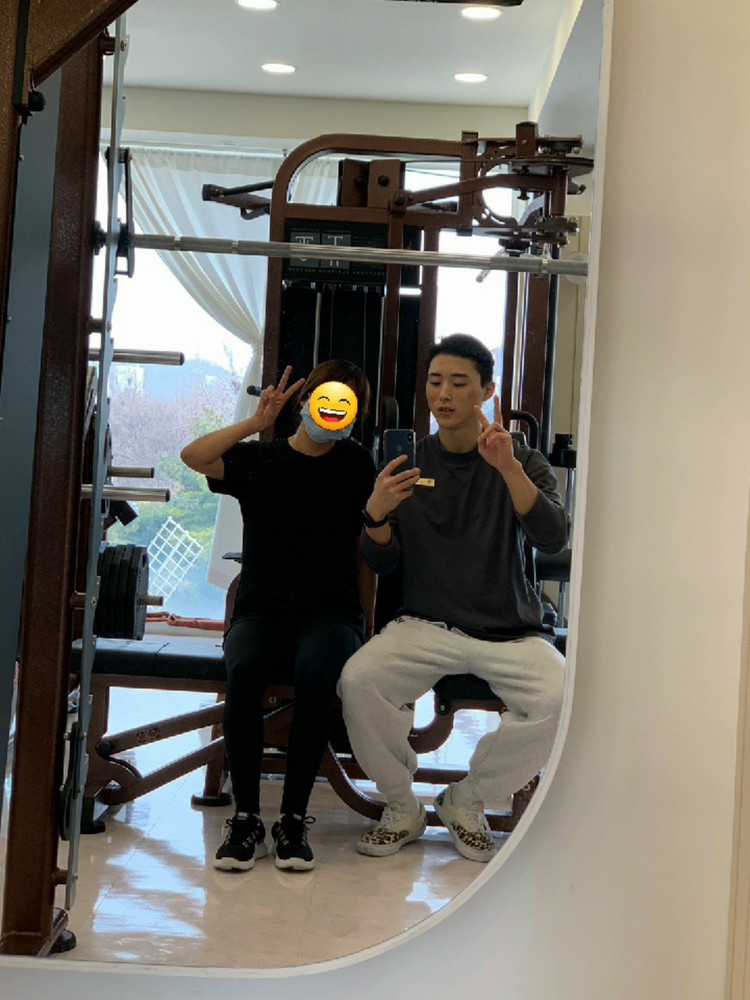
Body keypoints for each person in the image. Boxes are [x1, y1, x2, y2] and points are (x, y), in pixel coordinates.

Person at [339, 333, 569, 863]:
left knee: (562, 700)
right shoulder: (408, 462)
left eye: (459, 383)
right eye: (435, 381)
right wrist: (375, 515)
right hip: (426, 624)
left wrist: (508, 469)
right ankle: (401, 805)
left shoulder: (521, 459)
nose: (443, 394)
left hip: (510, 630)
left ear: (486, 392)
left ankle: (466, 800)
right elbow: (383, 562)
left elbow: (553, 537)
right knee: (359, 680)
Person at [180, 360, 375, 872]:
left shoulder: (358, 465)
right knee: (244, 669)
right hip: (262, 610)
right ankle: (246, 818)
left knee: (317, 673)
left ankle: (291, 820)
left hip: (331, 614)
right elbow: (194, 456)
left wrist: (369, 619)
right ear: (306, 401)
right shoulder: (261, 460)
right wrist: (256, 421)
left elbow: (372, 544)